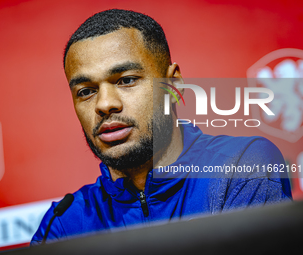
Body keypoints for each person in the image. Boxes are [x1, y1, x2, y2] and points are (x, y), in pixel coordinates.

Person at [31, 9, 291, 245]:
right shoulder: (64, 222)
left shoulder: (240, 166)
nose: (105, 104)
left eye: (126, 80)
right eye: (86, 91)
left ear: (173, 86)